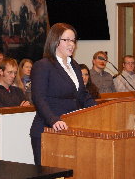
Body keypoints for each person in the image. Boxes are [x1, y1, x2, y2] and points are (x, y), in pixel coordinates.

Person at [30, 23, 96, 165]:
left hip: (70, 128)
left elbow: (83, 95)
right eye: (66, 40)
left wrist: (97, 111)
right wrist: (53, 120)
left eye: (73, 40)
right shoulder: (43, 65)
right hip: (48, 129)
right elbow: (39, 98)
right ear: (55, 41)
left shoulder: (75, 66)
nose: (71, 44)